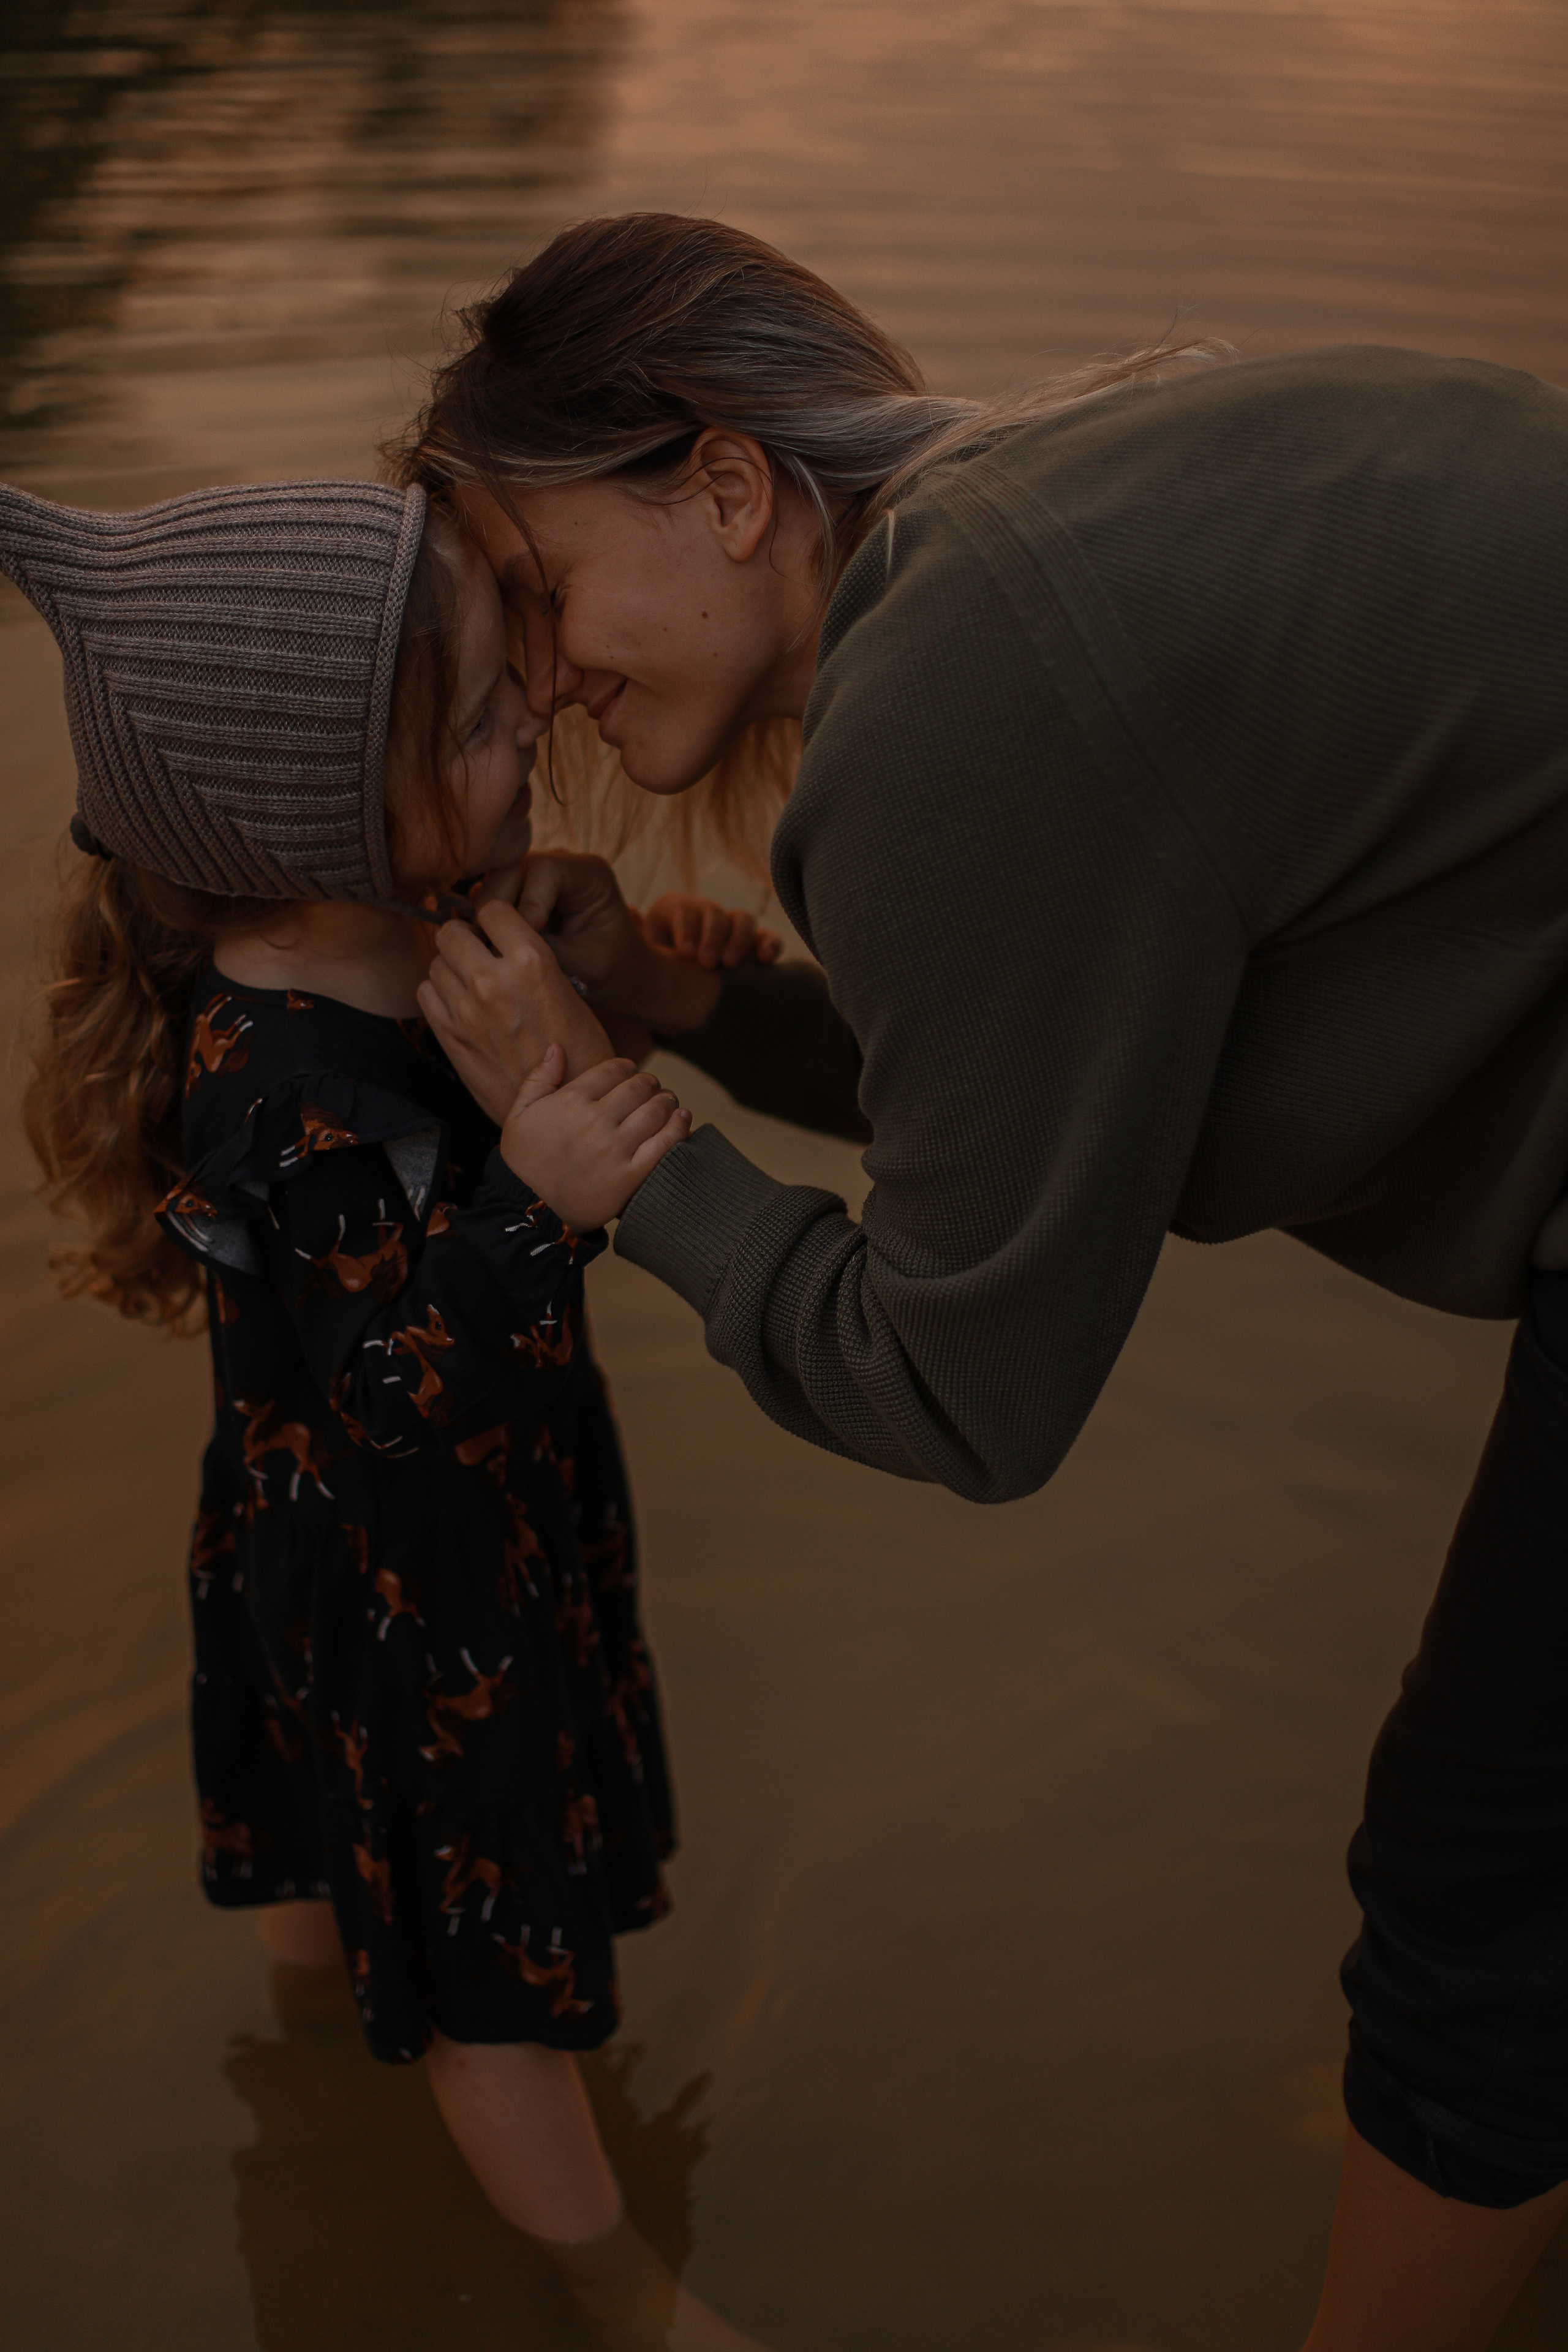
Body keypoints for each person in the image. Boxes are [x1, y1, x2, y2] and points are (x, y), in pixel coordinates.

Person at [390, 213, 1568, 2351]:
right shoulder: (1056, 492)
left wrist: (621, 1168)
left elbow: (965, 1387)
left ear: (727, 485)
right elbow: (1080, 1067)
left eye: (548, 590)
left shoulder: (960, 681)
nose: (542, 674)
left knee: (1481, 1903)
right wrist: (678, 1005)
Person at [5, 473, 774, 2352]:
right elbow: (389, 1397)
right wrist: (541, 1184)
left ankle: (308, 2058)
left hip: (355, 1556)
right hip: (406, 1592)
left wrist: (636, 993)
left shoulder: (396, 949)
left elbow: (542, 1093)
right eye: (491, 721)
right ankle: (618, 2284)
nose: (543, 730)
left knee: (337, 1854)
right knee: (475, 1973)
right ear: (321, 810)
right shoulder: (280, 1083)